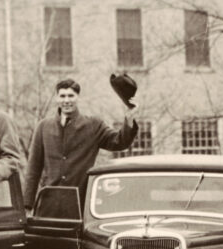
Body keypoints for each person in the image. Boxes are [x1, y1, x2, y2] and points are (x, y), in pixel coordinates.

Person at [23, 78, 138, 209]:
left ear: (78, 98)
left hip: (80, 206)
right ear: (56, 98)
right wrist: (27, 205)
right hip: (48, 206)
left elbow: (119, 142)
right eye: (62, 96)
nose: (67, 100)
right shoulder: (43, 126)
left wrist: (129, 118)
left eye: (71, 96)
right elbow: (33, 169)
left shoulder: (93, 125)